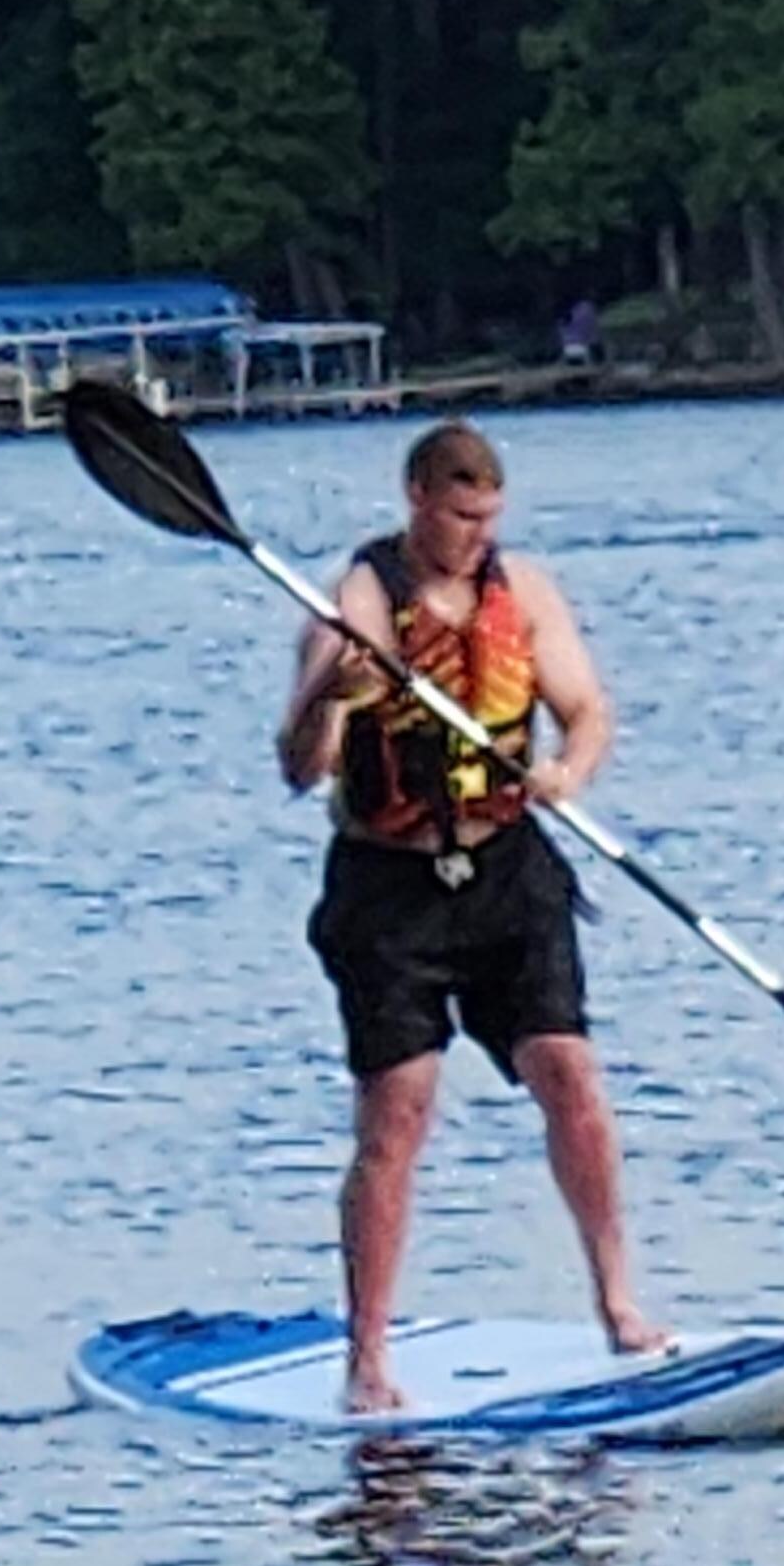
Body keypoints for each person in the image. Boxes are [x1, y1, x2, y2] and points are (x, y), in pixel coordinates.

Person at [278, 419, 661, 1413]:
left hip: (507, 871)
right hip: (388, 890)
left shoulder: (522, 591)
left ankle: (619, 1303)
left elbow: (587, 710)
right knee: (398, 1115)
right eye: (458, 517)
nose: (475, 536)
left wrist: (566, 773)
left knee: (570, 1073)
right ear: (416, 499)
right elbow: (299, 766)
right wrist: (332, 694)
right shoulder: (354, 604)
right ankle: (367, 1357)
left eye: (488, 517)